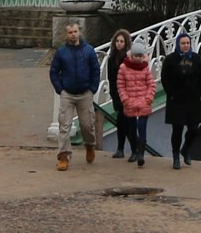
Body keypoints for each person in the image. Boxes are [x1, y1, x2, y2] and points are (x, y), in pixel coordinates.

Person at [48, 20, 102, 170]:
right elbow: (54, 72)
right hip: (68, 94)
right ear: (66, 34)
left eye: (75, 32)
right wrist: (60, 89)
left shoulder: (89, 51)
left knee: (87, 125)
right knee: (64, 126)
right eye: (70, 32)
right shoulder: (61, 52)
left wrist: (92, 88)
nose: (73, 35)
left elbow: (95, 70)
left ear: (79, 32)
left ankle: (90, 145)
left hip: (85, 93)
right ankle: (64, 157)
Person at [161, 30, 201, 168]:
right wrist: (171, 93)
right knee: (177, 129)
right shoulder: (170, 60)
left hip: (193, 99)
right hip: (176, 99)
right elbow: (165, 79)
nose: (185, 45)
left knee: (194, 128)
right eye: (183, 43)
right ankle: (175, 157)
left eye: (187, 43)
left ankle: (186, 149)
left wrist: (200, 91)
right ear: (178, 44)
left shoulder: (196, 58)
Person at [115, 45, 156, 165]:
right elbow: (121, 85)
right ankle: (134, 151)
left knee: (142, 128)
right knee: (131, 129)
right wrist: (125, 100)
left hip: (143, 102)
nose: (138, 58)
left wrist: (148, 98)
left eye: (140, 56)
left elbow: (151, 84)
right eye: (136, 56)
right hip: (130, 102)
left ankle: (141, 154)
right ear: (131, 56)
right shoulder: (123, 68)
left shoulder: (145, 68)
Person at [102, 28, 139, 160]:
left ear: (126, 43)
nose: (119, 43)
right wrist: (114, 95)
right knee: (120, 122)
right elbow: (111, 79)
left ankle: (135, 151)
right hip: (118, 95)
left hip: (129, 96)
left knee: (131, 123)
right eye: (117, 41)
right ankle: (120, 149)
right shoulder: (112, 58)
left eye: (121, 41)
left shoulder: (130, 58)